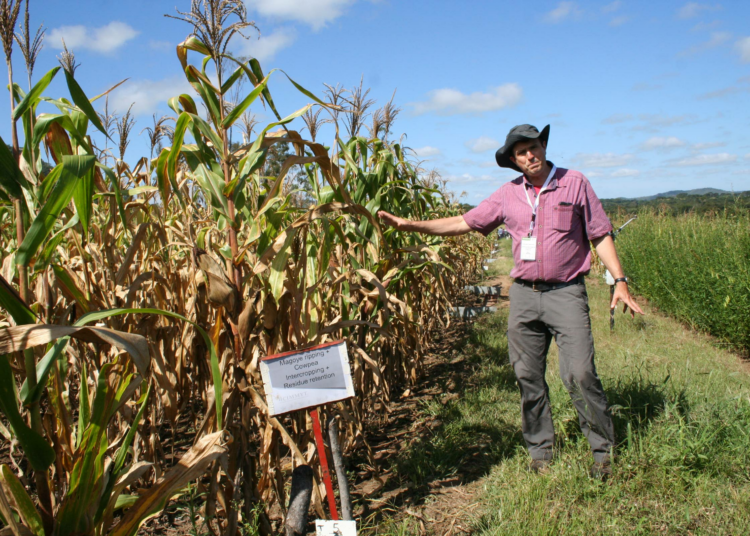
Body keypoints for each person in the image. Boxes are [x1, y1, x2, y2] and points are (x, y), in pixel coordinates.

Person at [377, 124, 644, 480]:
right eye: (521, 152)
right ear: (514, 160)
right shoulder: (507, 194)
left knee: (579, 372)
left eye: (533, 147)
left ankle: (602, 452)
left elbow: (599, 233)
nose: (529, 155)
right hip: (523, 296)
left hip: (566, 293)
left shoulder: (575, 182)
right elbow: (464, 222)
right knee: (527, 375)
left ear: (544, 146)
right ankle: (540, 450)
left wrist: (620, 281)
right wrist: (410, 224)